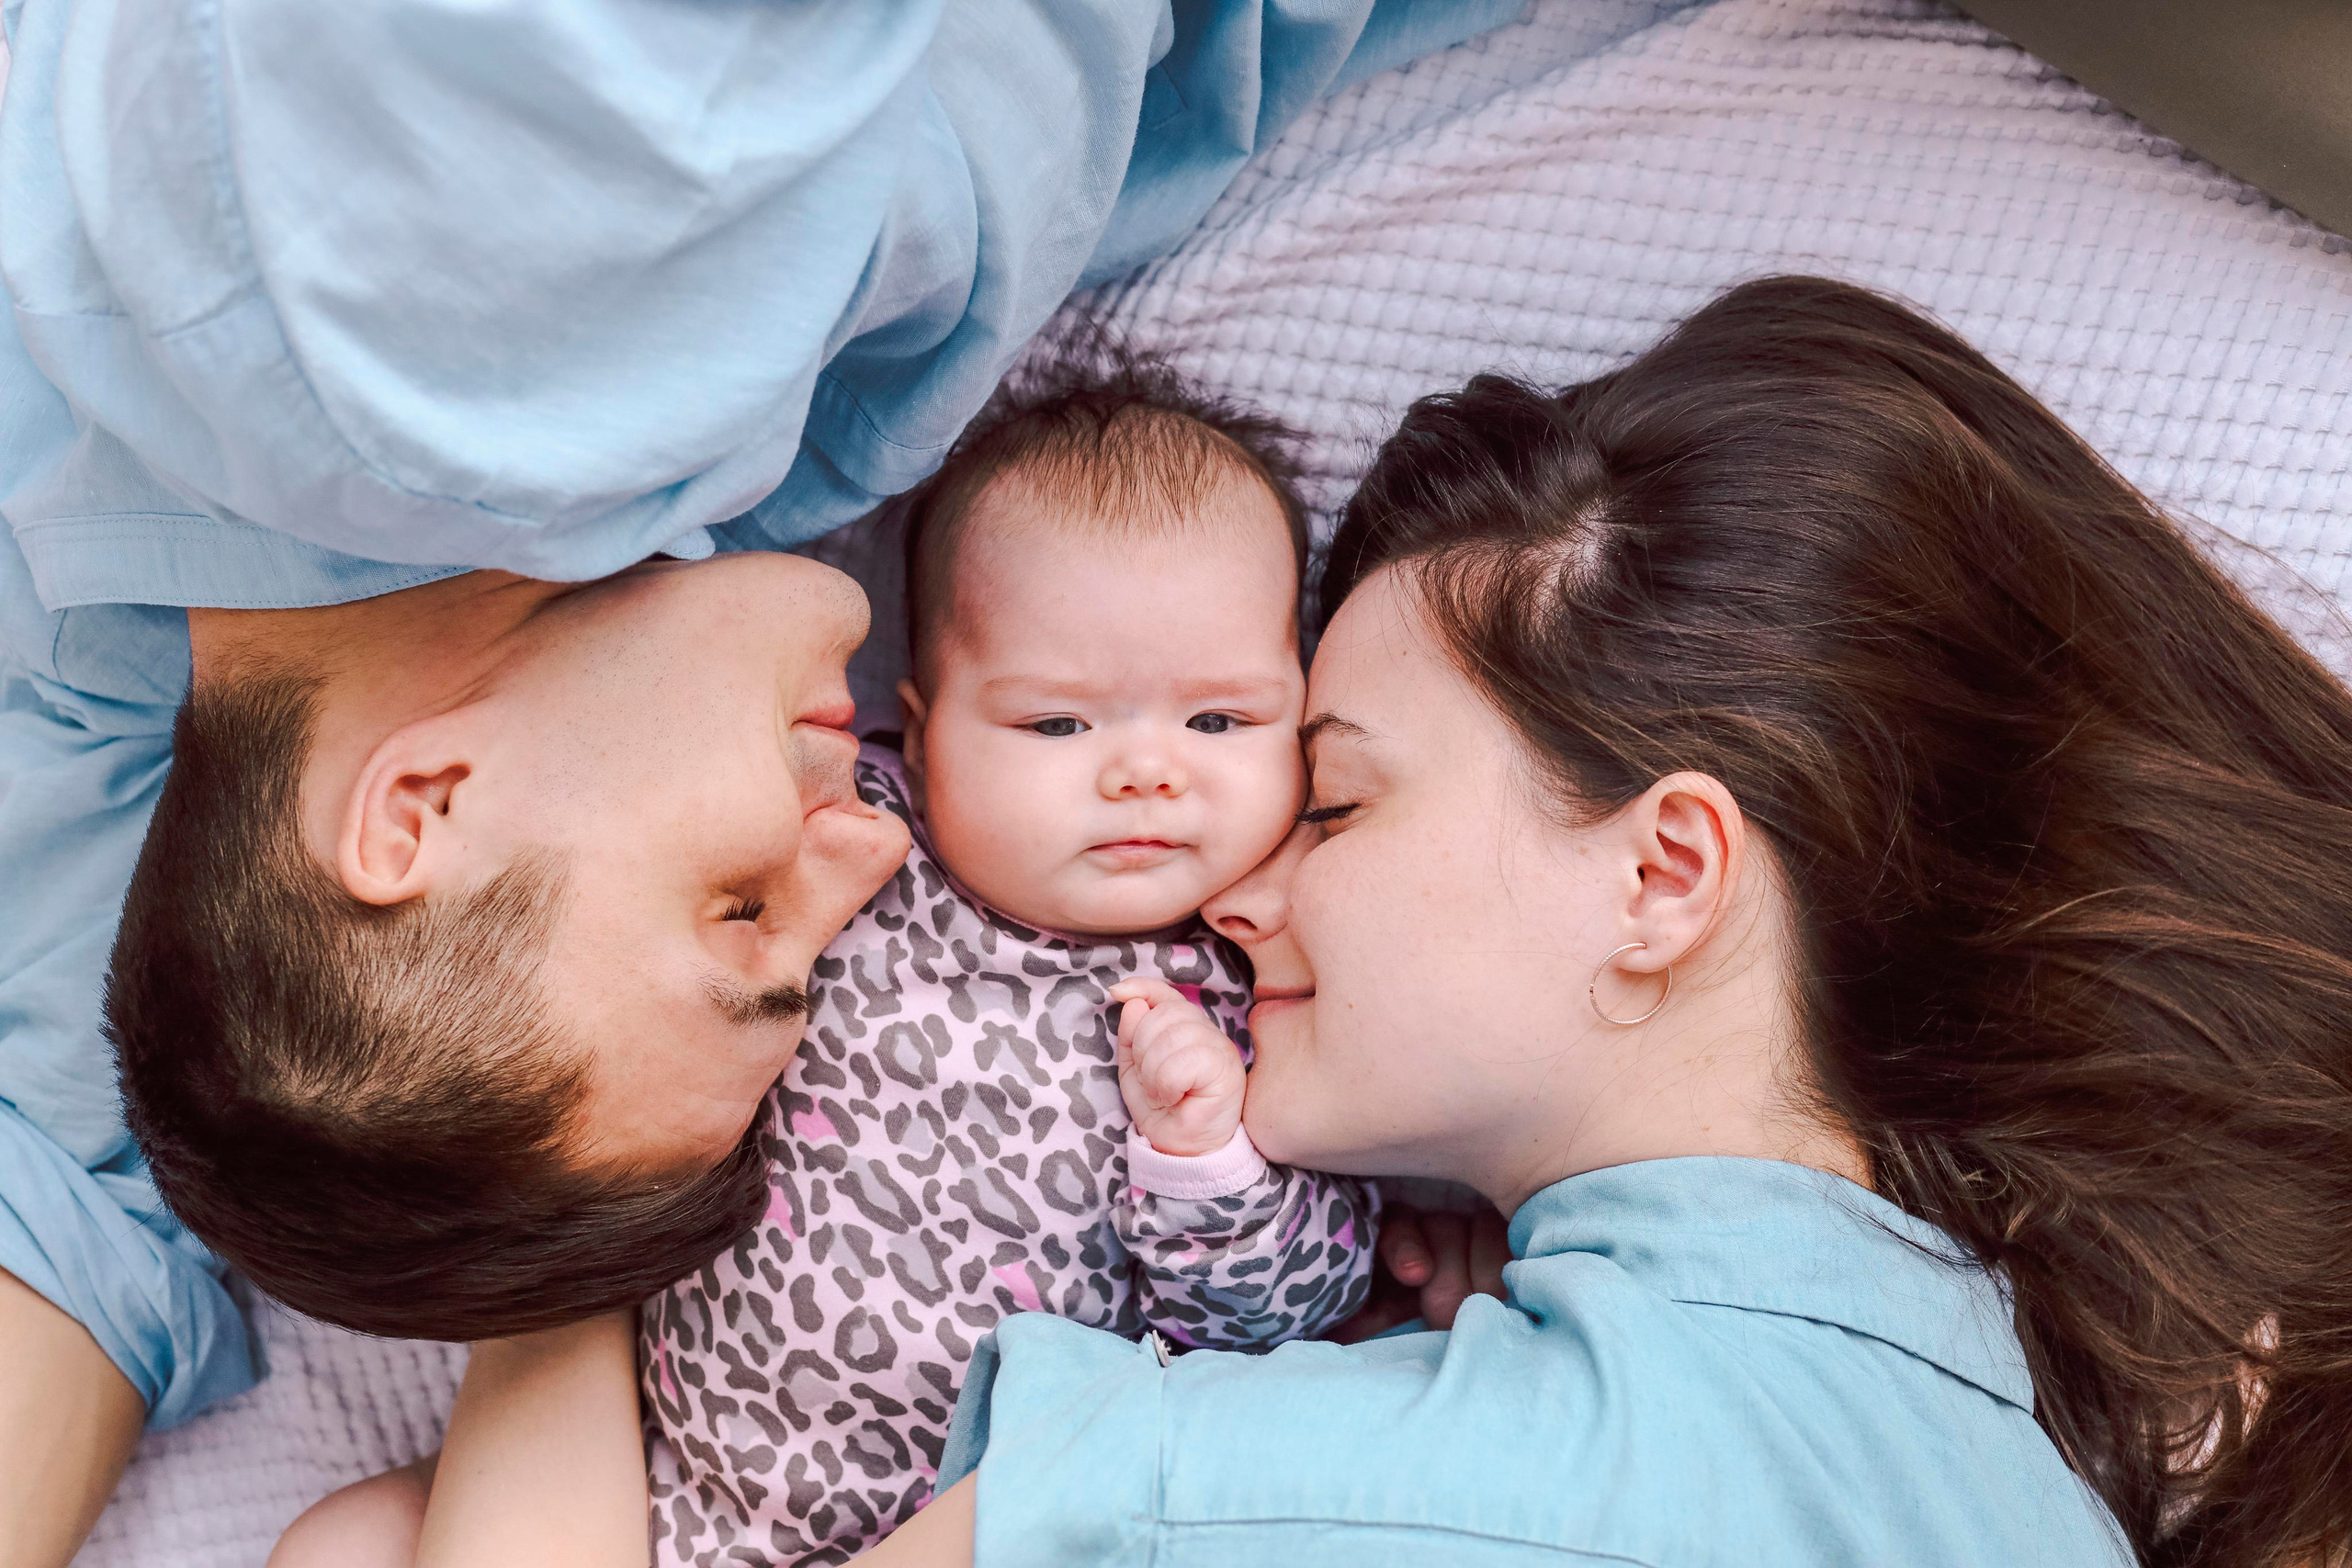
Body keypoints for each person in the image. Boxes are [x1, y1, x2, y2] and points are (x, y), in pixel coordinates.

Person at [406, 278, 2352, 1568]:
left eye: (1328, 791)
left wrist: (576, 1167)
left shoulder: (1291, 1477)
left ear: (1659, 875)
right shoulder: (2036, 1501)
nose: (1227, 889)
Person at [0, 1, 1521, 1560]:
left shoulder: (419, 351)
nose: (866, 852)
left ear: (422, 810)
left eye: (739, 913)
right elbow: (66, 1214)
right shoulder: (166, 771)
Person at [628, 358, 1377, 1564]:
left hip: (966, 1530)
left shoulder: (1264, 979)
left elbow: (1295, 1314)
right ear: (921, 734)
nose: (1146, 770)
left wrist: (1206, 1156)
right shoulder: (857, 844)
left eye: (1219, 721)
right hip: (668, 1474)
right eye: (1058, 724)